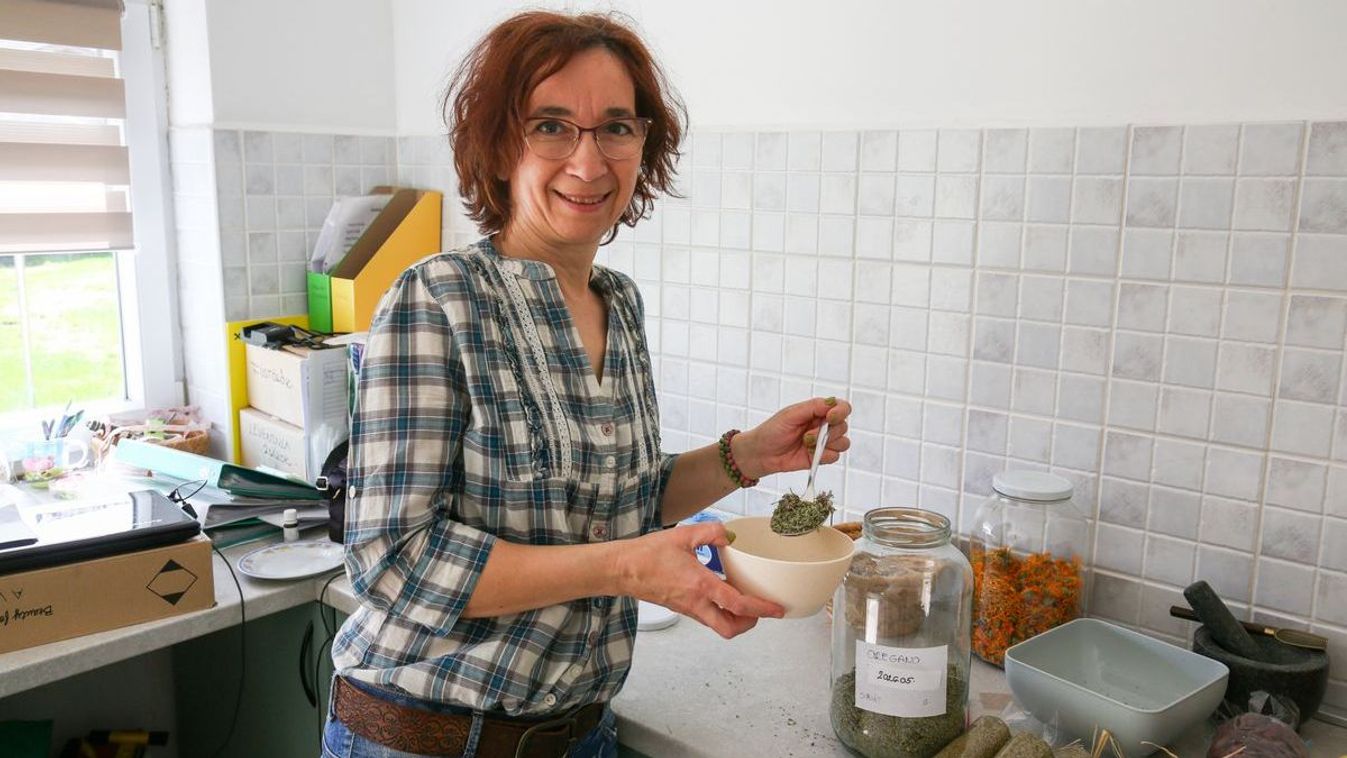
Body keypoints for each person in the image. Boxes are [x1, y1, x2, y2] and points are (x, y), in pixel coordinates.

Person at [324, 10, 853, 758]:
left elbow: (619, 502)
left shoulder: (618, 303)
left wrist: (747, 456)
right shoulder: (439, 297)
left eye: (615, 128)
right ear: (499, 145)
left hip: (581, 733)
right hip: (429, 737)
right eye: (550, 126)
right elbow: (394, 561)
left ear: (643, 144)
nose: (588, 160)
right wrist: (629, 567)